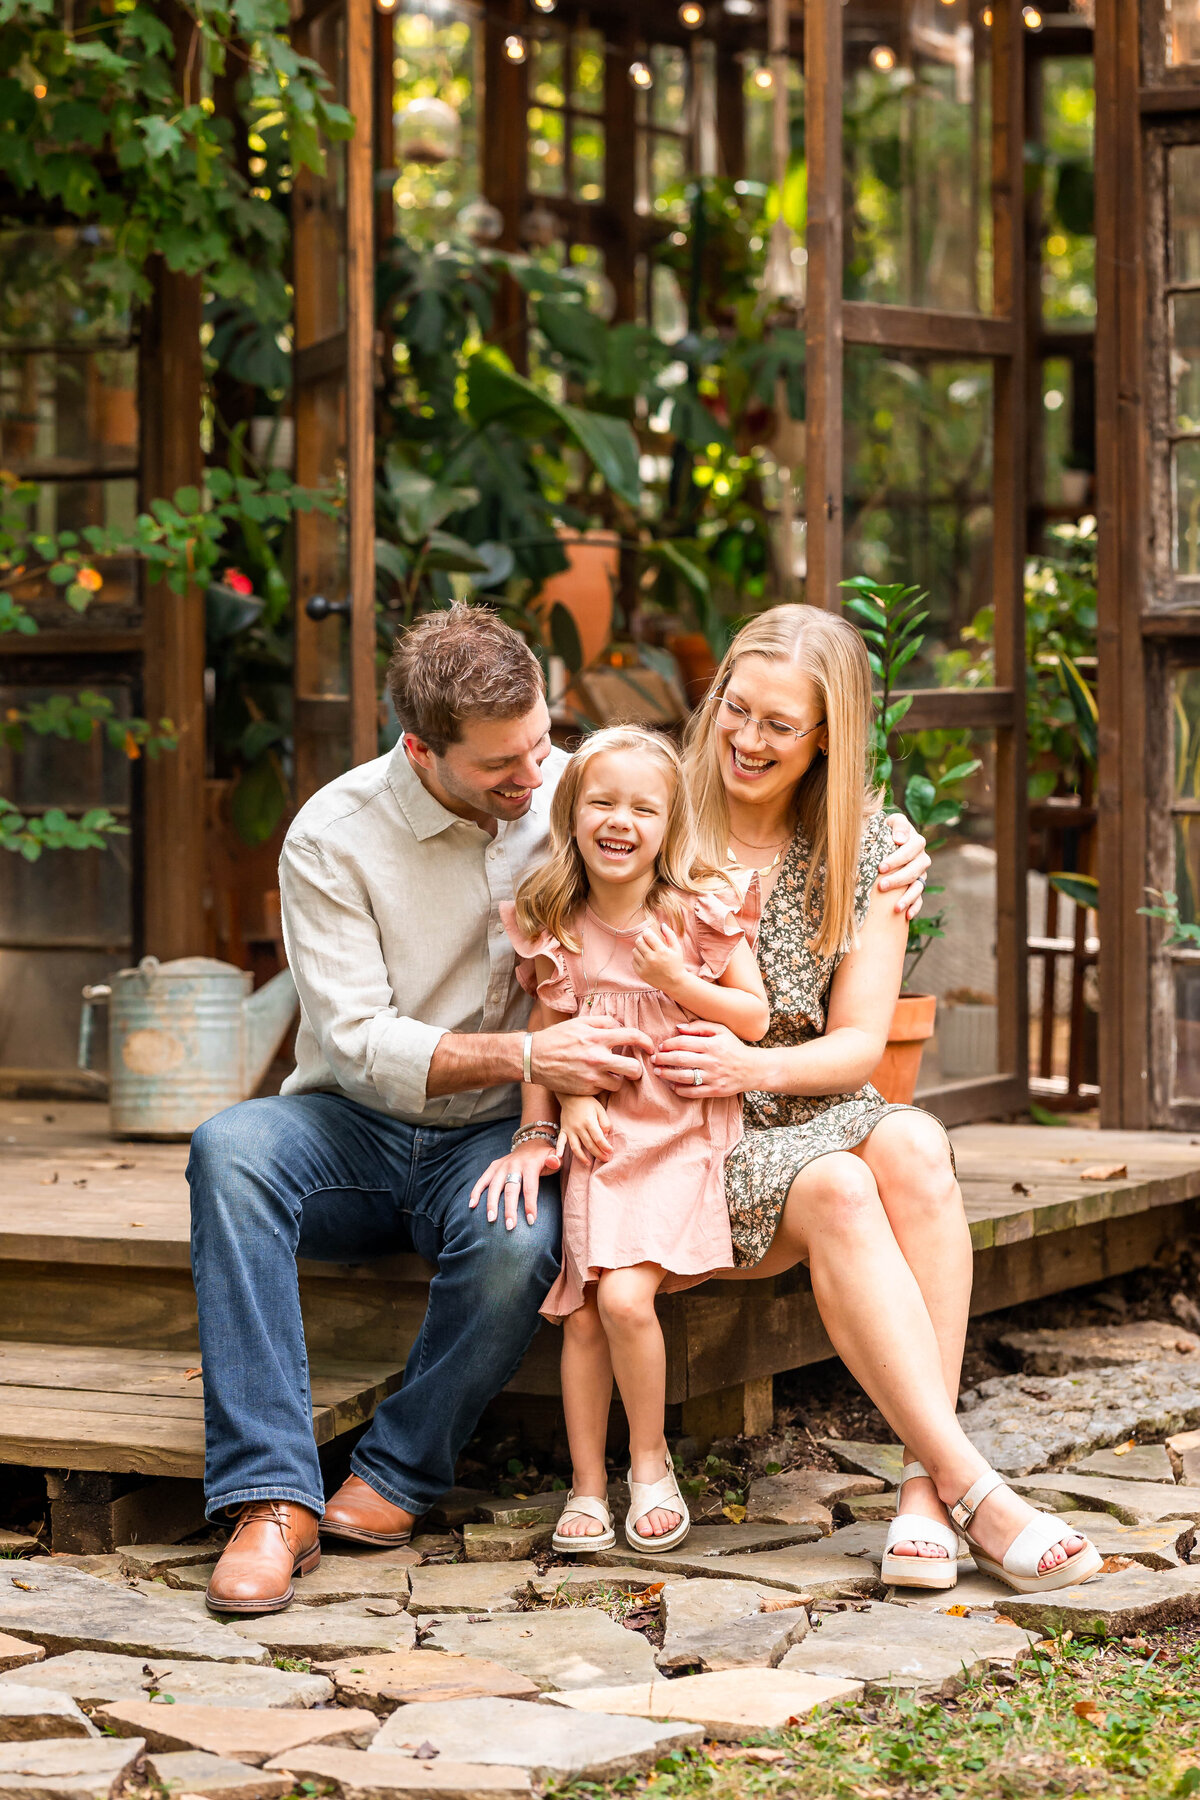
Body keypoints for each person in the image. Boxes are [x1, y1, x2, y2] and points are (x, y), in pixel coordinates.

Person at [188, 603, 931, 1614]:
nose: (535, 776)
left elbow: (695, 804)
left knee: (521, 1245)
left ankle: (396, 1473)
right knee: (230, 1150)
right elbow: (357, 1043)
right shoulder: (333, 837)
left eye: (543, 744)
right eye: (504, 765)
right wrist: (534, 1056)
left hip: (507, 1133)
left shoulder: (578, 791)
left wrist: (889, 838)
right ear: (423, 750)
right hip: (356, 1124)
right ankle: (271, 1499)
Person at [640, 604, 1101, 1594]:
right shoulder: (653, 808)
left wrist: (754, 1065)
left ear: (826, 737)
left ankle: (924, 1494)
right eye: (736, 709)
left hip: (794, 1093)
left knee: (917, 1145)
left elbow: (856, 1046)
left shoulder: (865, 847)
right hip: (690, 1126)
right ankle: (973, 1489)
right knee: (844, 1187)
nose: (747, 740)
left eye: (779, 725)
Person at [471, 728, 769, 1554]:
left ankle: (648, 1461)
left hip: (678, 1128)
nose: (620, 821)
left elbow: (753, 1018)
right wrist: (561, 1105)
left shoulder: (695, 912)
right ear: (571, 813)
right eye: (602, 802)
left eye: (644, 808)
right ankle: (587, 1486)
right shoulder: (559, 922)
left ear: (670, 826)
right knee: (581, 1318)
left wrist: (677, 980)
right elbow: (546, 1037)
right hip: (601, 1136)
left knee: (625, 1299)